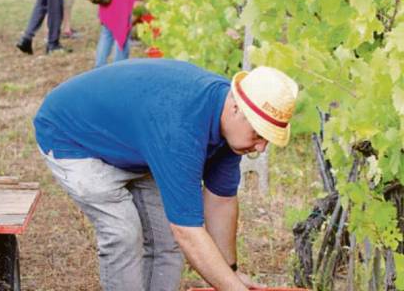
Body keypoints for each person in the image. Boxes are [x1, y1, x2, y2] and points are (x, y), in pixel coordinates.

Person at [34, 60, 299, 290]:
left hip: (138, 144)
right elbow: (188, 232)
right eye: (259, 134)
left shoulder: (231, 129)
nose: (261, 147)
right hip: (73, 138)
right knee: (124, 233)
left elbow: (221, 201)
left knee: (166, 241)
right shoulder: (181, 129)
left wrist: (230, 272)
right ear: (235, 108)